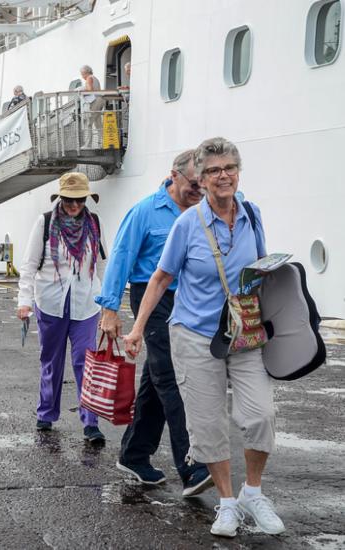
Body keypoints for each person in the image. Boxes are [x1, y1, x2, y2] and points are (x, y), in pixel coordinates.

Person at [123, 138, 283, 538]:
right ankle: (227, 503)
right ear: (201, 178)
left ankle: (253, 493)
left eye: (229, 167)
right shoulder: (186, 224)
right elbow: (160, 278)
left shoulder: (252, 214)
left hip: (242, 332)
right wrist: (138, 327)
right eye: (213, 171)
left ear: (238, 172)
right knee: (207, 423)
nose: (222, 175)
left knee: (260, 414)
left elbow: (260, 271)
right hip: (194, 334)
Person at [96, 150, 212, 496]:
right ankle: (193, 465)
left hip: (191, 301)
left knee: (155, 381)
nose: (198, 190)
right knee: (173, 377)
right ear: (174, 175)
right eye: (194, 184)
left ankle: (134, 454)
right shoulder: (146, 212)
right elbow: (120, 257)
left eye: (201, 185)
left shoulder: (202, 211)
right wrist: (110, 309)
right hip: (154, 298)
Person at [16, 172, 106, 443]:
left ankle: (90, 422)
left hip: (86, 304)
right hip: (51, 302)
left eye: (79, 200)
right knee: (52, 361)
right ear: (61, 198)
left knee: (85, 362)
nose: (74, 206)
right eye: (69, 200)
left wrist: (107, 302)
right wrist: (24, 301)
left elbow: (101, 263)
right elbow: (30, 265)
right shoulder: (45, 222)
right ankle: (46, 412)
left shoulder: (94, 223)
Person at [80, 65, 104, 147]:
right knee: (98, 123)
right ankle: (102, 143)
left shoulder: (89, 78)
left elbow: (90, 90)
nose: (82, 76)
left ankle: (88, 144)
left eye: (82, 74)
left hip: (95, 101)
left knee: (88, 123)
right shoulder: (95, 78)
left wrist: (81, 90)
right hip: (100, 100)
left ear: (85, 73)